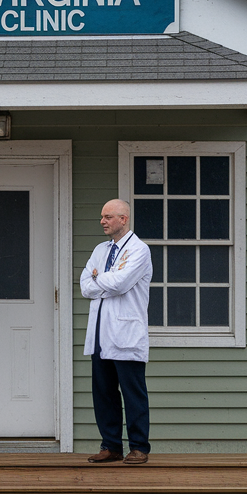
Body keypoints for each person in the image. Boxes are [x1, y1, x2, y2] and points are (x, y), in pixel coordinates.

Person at [80, 199, 153, 464]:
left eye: (108, 217)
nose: (103, 221)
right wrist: (101, 280)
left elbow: (121, 284)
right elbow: (84, 286)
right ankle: (111, 445)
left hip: (126, 333)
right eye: (102, 217)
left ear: (124, 219)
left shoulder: (139, 250)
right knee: (104, 392)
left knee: (133, 392)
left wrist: (99, 278)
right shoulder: (101, 250)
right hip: (100, 333)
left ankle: (138, 447)